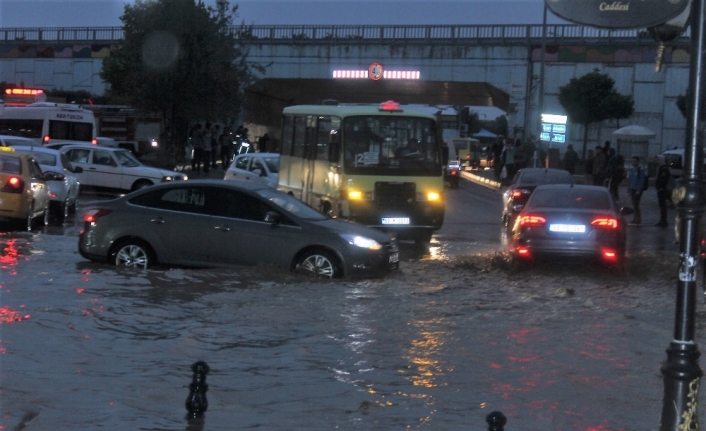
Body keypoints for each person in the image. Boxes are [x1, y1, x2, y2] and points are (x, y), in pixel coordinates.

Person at [627, 156, 647, 225]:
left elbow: (641, 181)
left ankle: (638, 219)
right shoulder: (632, 170)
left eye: (634, 161)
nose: (633, 162)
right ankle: (635, 218)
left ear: (638, 162)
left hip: (637, 190)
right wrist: (629, 190)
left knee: (636, 205)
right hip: (632, 189)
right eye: (632, 161)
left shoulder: (640, 170)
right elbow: (630, 181)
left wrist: (638, 190)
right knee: (634, 205)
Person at [654, 155, 672, 227]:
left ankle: (663, 221)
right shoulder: (661, 168)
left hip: (662, 189)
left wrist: (661, 186)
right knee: (662, 206)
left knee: (663, 206)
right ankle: (662, 220)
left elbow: (663, 179)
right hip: (661, 189)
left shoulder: (664, 169)